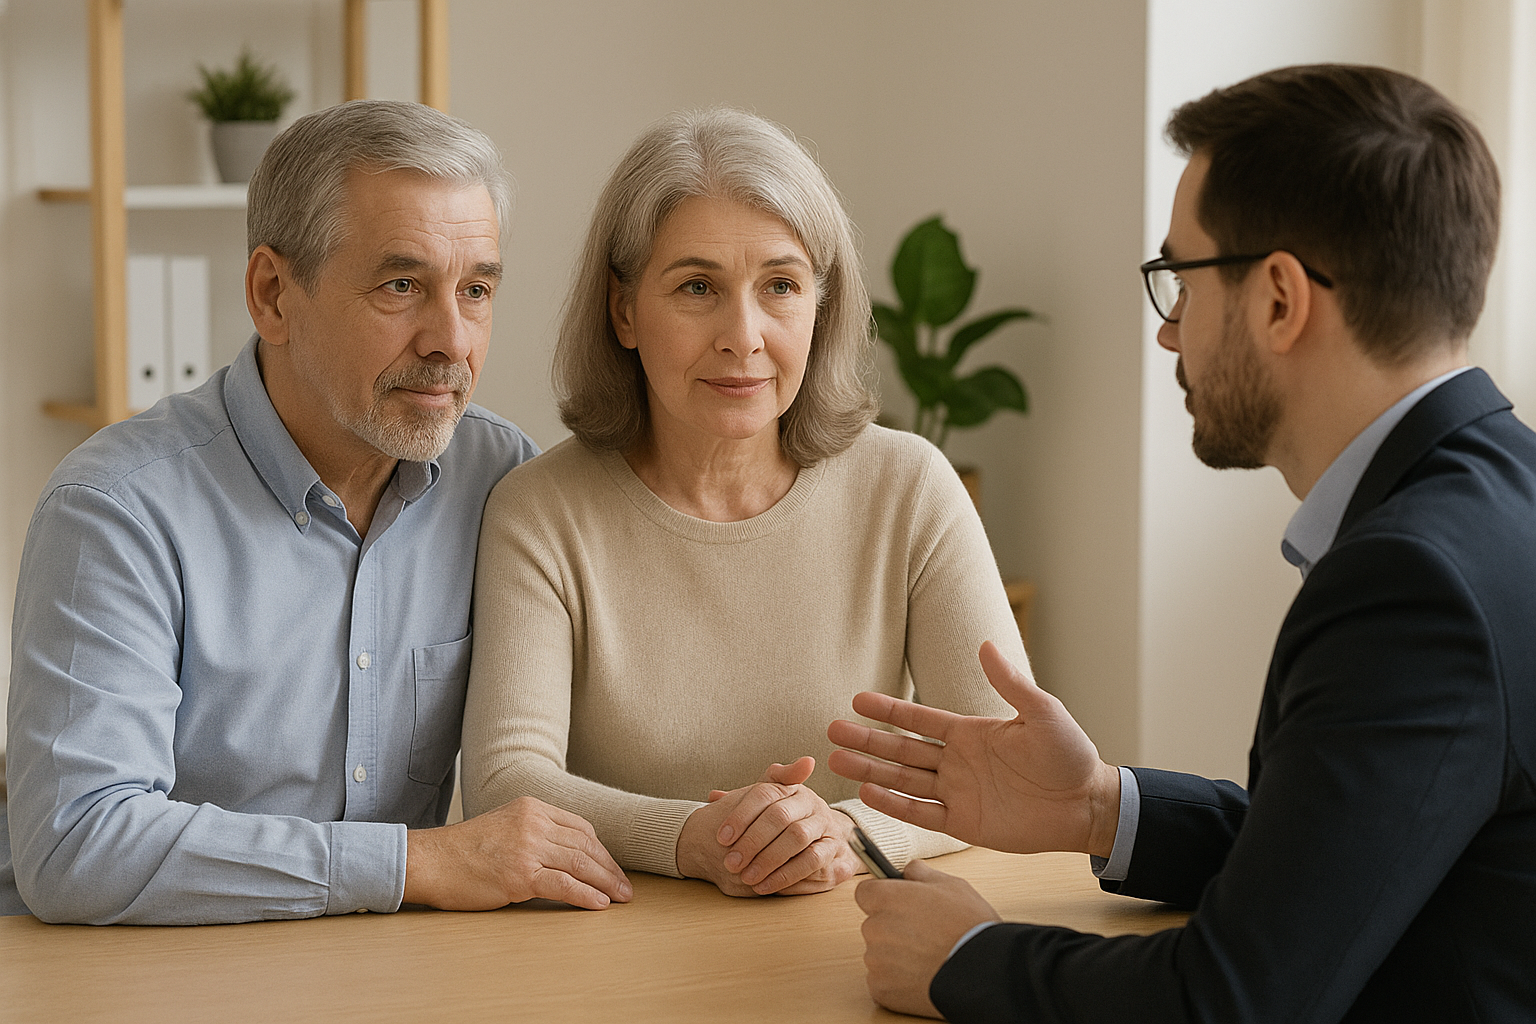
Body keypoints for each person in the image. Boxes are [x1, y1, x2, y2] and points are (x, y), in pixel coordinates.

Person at [829, 64, 1535, 1022]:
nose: (1169, 338)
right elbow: (1352, 852)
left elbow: (1237, 1000)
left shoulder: (1411, 583)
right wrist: (1098, 806)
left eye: (1181, 280)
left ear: (1281, 299)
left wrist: (969, 959)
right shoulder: (1501, 495)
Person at [2, 100, 630, 924]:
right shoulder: (117, 511)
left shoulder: (501, 479)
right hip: (136, 984)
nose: (450, 339)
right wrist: (414, 861)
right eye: (401, 286)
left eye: (475, 289)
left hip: (388, 979)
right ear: (272, 295)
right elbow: (78, 845)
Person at [459, 107, 1022, 897]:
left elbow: (1000, 765)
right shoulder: (540, 511)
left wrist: (844, 831)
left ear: (820, 306)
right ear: (623, 310)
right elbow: (506, 783)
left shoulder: (911, 487)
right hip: (610, 954)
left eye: (781, 286)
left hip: (852, 936)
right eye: (698, 287)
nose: (744, 334)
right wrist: (696, 839)